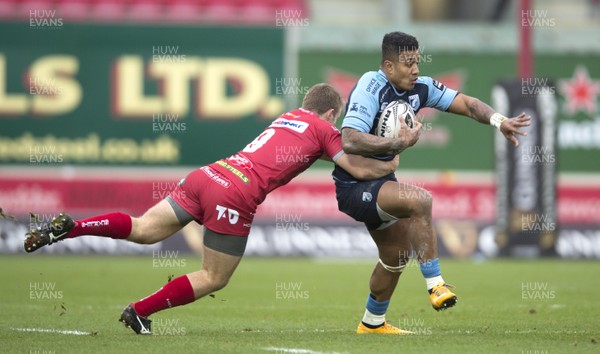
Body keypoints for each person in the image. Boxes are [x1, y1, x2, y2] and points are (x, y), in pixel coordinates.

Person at [24, 83, 403, 335]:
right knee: (214, 277)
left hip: (210, 173)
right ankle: (139, 310)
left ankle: (72, 227)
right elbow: (353, 165)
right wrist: (390, 162)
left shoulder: (287, 116)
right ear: (333, 113)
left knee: (143, 229)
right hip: (235, 194)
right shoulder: (324, 130)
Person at [333, 31, 531, 334]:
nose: (415, 69)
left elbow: (466, 103)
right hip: (354, 185)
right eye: (407, 63)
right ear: (388, 66)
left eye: (417, 61)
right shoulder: (370, 87)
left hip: (380, 180)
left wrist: (498, 120)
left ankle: (372, 323)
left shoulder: (420, 88)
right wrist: (398, 143)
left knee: (396, 256)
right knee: (420, 200)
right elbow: (349, 140)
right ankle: (436, 286)